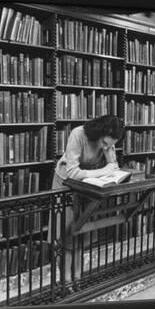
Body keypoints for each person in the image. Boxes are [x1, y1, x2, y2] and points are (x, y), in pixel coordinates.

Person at [51, 115, 124, 283]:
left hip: (88, 186)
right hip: (66, 185)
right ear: (98, 133)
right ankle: (66, 281)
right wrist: (105, 170)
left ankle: (77, 277)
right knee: (68, 233)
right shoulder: (78, 135)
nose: (106, 147)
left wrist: (109, 154)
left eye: (111, 145)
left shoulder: (107, 143)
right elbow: (73, 173)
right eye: (105, 143)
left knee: (82, 233)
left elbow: (114, 167)